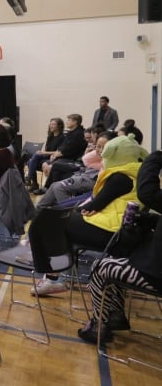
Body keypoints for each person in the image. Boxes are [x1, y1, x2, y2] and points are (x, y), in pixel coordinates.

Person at [32, 134, 148, 296]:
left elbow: (94, 205)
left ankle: (53, 278)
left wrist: (74, 211)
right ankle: (55, 272)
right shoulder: (136, 172)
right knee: (58, 220)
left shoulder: (120, 177)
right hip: (120, 229)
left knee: (50, 222)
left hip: (112, 232)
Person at [76, 146, 162, 344]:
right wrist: (148, 220)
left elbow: (147, 193)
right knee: (117, 258)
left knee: (100, 268)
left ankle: (98, 325)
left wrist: (156, 157)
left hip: (156, 273)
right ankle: (115, 315)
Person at [26, 118, 65, 191]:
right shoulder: (50, 136)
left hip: (54, 158)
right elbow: (47, 150)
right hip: (46, 157)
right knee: (30, 161)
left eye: (53, 124)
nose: (51, 126)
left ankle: (30, 178)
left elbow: (58, 152)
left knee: (34, 159)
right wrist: (42, 152)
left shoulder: (62, 137)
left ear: (59, 126)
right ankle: (34, 183)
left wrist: (44, 152)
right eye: (50, 124)